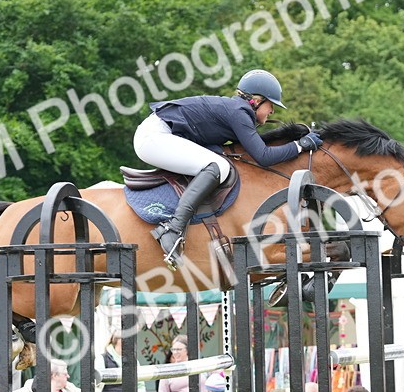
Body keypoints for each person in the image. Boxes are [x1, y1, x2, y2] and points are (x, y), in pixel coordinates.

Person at [134, 69, 321, 268]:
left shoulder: (237, 110)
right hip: (154, 137)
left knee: (219, 162)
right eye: (271, 105)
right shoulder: (239, 113)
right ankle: (172, 229)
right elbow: (264, 157)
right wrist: (300, 146)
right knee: (218, 166)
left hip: (160, 134)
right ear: (257, 100)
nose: (272, 111)